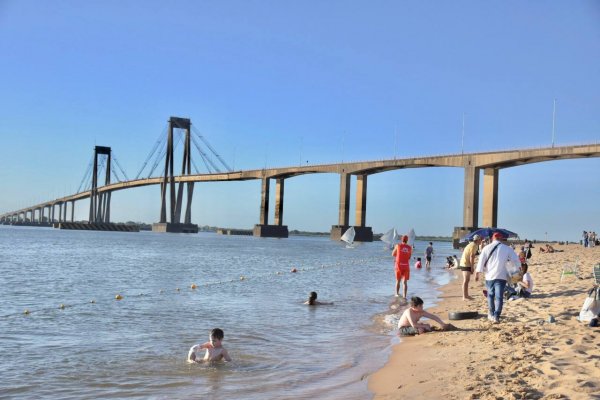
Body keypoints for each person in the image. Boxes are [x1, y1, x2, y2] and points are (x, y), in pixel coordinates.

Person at [475, 232, 521, 323]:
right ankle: (496, 316)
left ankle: (491, 313)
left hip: (489, 276)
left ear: (492, 238)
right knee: (499, 297)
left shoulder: (486, 248)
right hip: (501, 276)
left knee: (490, 295)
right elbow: (516, 260)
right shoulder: (507, 248)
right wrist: (516, 270)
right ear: (501, 239)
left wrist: (477, 273)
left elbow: (481, 261)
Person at [459, 234, 482, 301]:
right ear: (478, 240)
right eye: (480, 239)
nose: (481, 241)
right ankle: (464, 296)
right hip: (465, 264)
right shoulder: (474, 245)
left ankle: (466, 295)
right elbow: (472, 256)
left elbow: (471, 255)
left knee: (467, 280)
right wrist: (472, 267)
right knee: (466, 280)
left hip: (465, 262)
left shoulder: (472, 244)